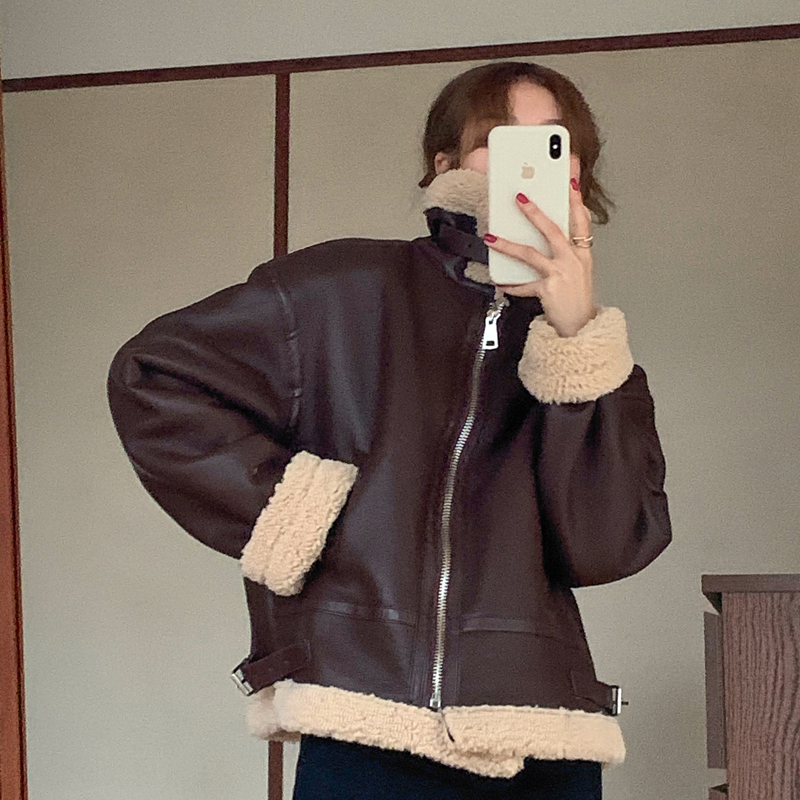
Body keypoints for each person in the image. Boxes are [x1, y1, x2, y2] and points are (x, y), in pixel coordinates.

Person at [107, 61, 672, 800]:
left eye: (552, 144)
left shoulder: (594, 359)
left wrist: (575, 335)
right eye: (499, 141)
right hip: (365, 727)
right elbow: (153, 376)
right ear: (444, 164)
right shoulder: (344, 289)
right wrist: (306, 512)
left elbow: (606, 545)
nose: (526, 162)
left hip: (542, 736)